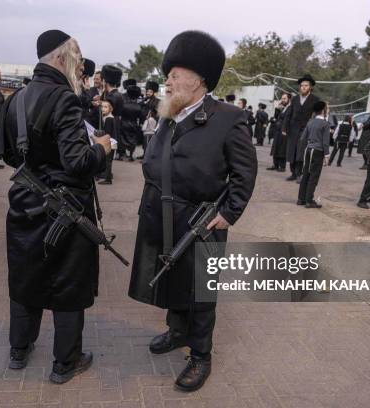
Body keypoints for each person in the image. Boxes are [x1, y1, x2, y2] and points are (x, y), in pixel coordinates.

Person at [128, 30, 257, 392]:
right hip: (164, 215)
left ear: (199, 80)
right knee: (171, 278)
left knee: (202, 290)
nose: (167, 80)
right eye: (167, 75)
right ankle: (177, 331)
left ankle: (201, 354)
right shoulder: (169, 114)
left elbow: (244, 174)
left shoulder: (229, 118)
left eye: (175, 74)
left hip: (204, 220)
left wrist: (230, 212)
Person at [1, 29, 111, 383]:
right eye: (77, 60)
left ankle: (20, 349)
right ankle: (66, 362)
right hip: (66, 210)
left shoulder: (14, 99)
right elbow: (78, 162)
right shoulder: (64, 99)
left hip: (23, 203)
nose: (79, 69)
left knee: (25, 277)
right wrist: (103, 149)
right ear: (62, 58)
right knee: (67, 284)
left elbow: (4, 154)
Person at [282, 74, 320, 181]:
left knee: (301, 152)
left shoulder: (315, 99)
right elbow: (289, 113)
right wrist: (284, 128)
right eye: (302, 85)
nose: (303, 87)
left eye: (306, 85)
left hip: (306, 130)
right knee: (292, 151)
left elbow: (317, 115)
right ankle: (293, 173)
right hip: (293, 129)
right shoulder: (294, 99)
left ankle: (300, 174)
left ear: (310, 87)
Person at [297, 101, 330, 208]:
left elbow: (302, 138)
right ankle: (309, 200)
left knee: (306, 173)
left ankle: (300, 199)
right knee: (314, 176)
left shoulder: (310, 122)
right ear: (323, 110)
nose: (328, 110)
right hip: (318, 151)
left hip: (308, 149)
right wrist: (327, 156)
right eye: (327, 108)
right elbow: (325, 142)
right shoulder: (325, 124)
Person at [267, 93, 291, 171]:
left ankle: (282, 166)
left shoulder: (290, 108)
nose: (283, 100)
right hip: (277, 130)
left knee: (282, 148)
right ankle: (275, 164)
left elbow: (288, 120)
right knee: (276, 147)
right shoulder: (282, 108)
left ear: (289, 99)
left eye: (284, 98)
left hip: (284, 131)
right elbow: (276, 117)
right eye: (282, 98)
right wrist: (277, 109)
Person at [120, 84, 143, 161]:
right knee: (132, 140)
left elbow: (121, 113)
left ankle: (121, 155)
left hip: (124, 123)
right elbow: (140, 117)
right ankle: (131, 155)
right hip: (133, 124)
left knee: (122, 138)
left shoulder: (124, 105)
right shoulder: (139, 106)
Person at [98, 95, 117, 185]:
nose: (103, 109)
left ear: (111, 108)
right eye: (102, 106)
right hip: (112, 142)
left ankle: (108, 179)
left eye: (106, 107)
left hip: (110, 143)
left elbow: (107, 133)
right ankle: (108, 175)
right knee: (108, 160)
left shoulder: (109, 119)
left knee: (108, 161)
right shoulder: (109, 117)